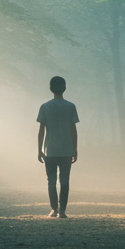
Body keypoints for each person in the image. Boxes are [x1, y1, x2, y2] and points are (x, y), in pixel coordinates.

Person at [36, 75, 79, 218]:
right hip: (66, 149)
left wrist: (39, 150)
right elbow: (73, 129)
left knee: (52, 181)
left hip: (50, 149)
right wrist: (75, 148)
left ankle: (54, 209)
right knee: (65, 181)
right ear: (65, 88)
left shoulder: (45, 106)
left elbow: (41, 129)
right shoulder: (70, 106)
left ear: (50, 89)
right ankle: (63, 211)